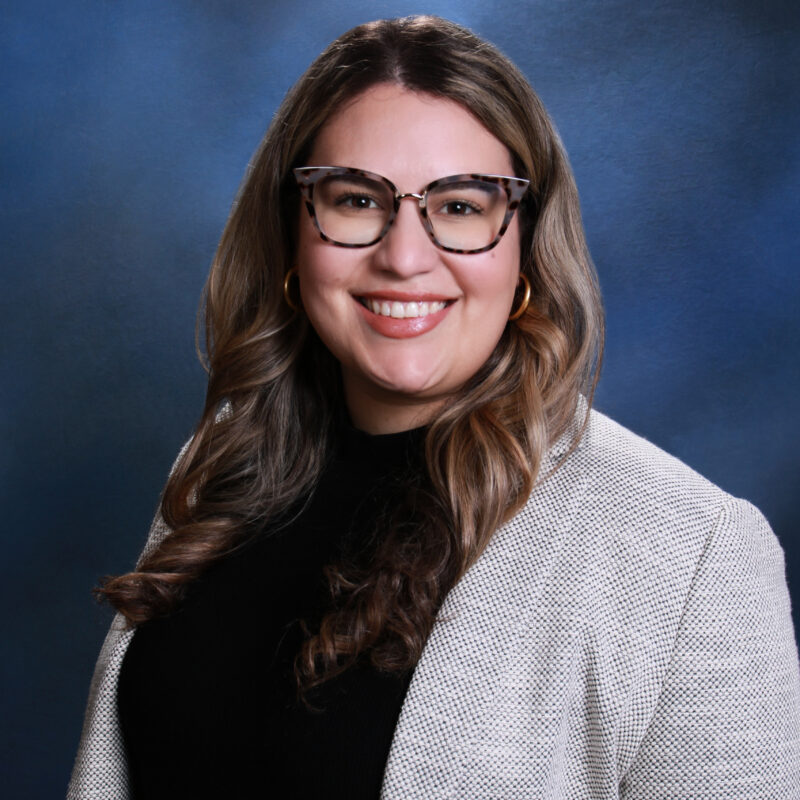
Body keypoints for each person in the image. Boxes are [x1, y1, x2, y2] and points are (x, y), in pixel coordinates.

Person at [68, 15, 800, 800]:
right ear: (292, 232)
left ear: (524, 242)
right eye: (354, 199)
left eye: (460, 206)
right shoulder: (222, 466)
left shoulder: (689, 556)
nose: (405, 257)